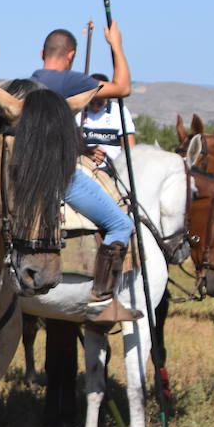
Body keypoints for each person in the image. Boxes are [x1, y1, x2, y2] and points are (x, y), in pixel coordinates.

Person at [31, 25, 141, 324]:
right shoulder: (68, 80)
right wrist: (116, 44)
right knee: (120, 224)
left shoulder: (30, 84)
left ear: (42, 54)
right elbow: (123, 87)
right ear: (71, 55)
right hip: (61, 176)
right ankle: (101, 301)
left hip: (29, 173)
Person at [78, 73, 136, 165]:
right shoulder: (77, 112)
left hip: (113, 170)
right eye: (92, 97)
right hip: (83, 168)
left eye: (99, 97)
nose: (95, 101)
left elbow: (130, 148)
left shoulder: (119, 111)